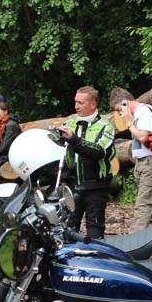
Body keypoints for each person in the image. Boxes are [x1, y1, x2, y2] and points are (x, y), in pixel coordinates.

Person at [58, 87, 115, 239]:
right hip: (72, 186)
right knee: (68, 229)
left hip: (96, 186)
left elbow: (99, 152)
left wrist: (74, 139)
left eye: (81, 103)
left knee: (95, 231)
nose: (76, 106)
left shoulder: (106, 126)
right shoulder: (69, 124)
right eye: (75, 102)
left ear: (93, 104)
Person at [111, 87, 152, 231]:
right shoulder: (140, 113)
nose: (120, 114)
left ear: (125, 103)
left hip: (151, 162)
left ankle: (134, 239)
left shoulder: (144, 112)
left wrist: (129, 123)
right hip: (143, 162)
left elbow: (142, 137)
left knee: (143, 205)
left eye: (119, 110)